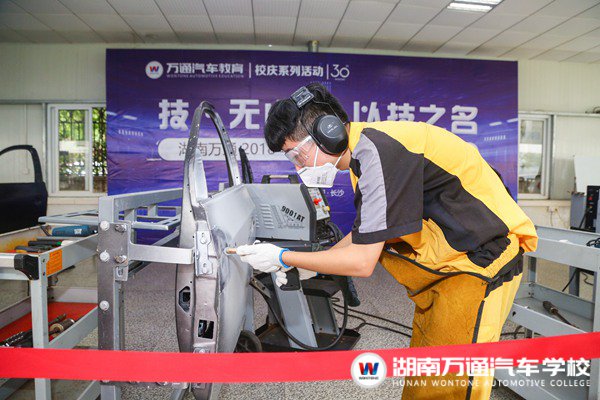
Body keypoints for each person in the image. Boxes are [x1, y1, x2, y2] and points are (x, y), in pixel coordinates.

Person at [236, 83, 537, 399]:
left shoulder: (380, 151)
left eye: (297, 154)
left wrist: (283, 257)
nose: (298, 167)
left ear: (328, 132)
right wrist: (312, 266)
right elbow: (366, 232)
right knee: (426, 371)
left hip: (482, 262)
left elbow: (362, 261)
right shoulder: (366, 154)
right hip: (450, 268)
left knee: (451, 383)